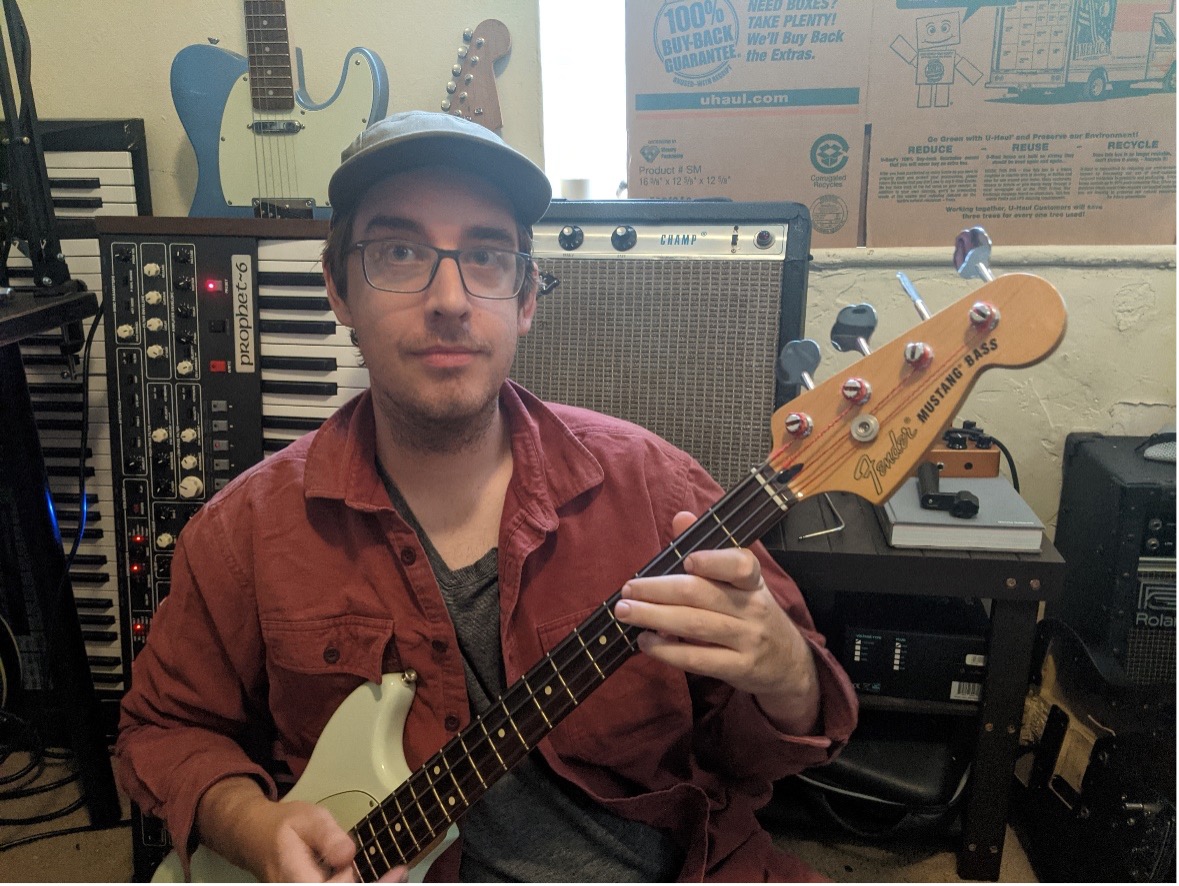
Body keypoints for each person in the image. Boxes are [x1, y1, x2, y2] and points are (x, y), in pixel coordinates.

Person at [115, 110, 858, 883]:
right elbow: (163, 729)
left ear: (526, 299)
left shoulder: (657, 487)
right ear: (337, 290)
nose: (449, 298)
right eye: (400, 252)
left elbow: (759, 757)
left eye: (486, 256)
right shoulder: (244, 530)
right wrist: (253, 827)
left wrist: (787, 680)